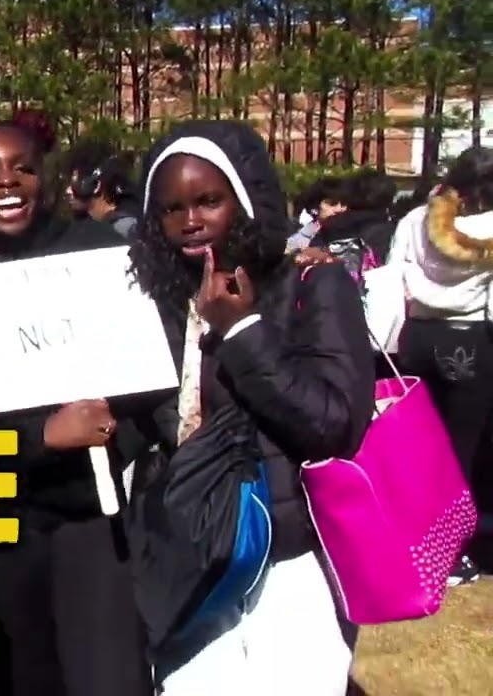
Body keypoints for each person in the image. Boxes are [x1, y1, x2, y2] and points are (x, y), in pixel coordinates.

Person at [128, 120, 373, 694]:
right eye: (172, 209)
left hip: (287, 556)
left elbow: (333, 424)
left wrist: (242, 331)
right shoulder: (156, 301)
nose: (191, 221)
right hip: (190, 556)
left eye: (209, 201)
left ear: (244, 199)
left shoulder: (310, 285)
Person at [0, 119, 152, 696]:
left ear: (50, 177)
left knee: (107, 676)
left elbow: (146, 379)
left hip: (92, 515)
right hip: (2, 519)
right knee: (26, 675)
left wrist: (114, 427)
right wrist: (43, 437)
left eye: (23, 168)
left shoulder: (101, 252)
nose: (6, 182)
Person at [390, 146, 493, 586]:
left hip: (416, 336)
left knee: (416, 446)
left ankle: (405, 541)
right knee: (461, 453)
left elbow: (393, 275)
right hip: (469, 340)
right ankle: (449, 556)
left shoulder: (415, 220)